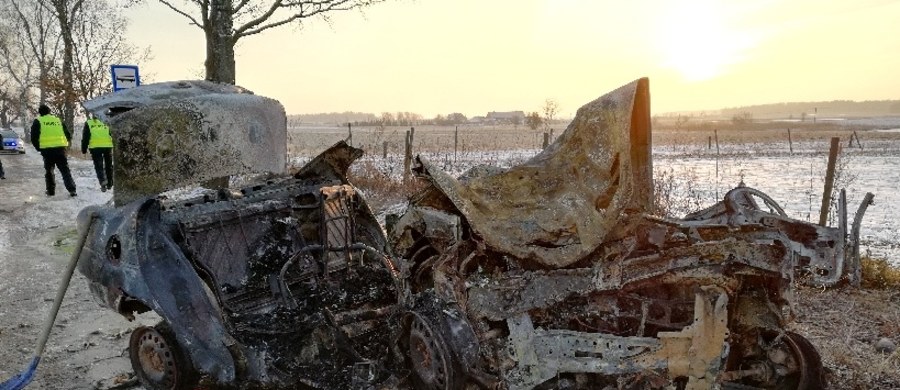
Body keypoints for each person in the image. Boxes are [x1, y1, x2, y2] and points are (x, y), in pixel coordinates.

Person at [31, 104, 77, 197]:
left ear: (40, 113)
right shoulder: (58, 120)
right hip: (60, 149)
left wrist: (38, 148)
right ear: (49, 111)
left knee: (49, 171)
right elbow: (67, 134)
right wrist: (65, 144)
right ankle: (72, 190)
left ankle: (51, 191)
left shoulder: (38, 121)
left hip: (47, 151)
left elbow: (34, 137)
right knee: (65, 170)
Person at [81, 113, 113, 192]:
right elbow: (112, 133)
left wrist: (84, 149)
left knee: (98, 165)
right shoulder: (107, 122)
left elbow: (85, 137)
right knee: (108, 165)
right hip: (107, 146)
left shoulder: (89, 123)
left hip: (95, 148)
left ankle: (102, 181)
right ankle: (110, 183)